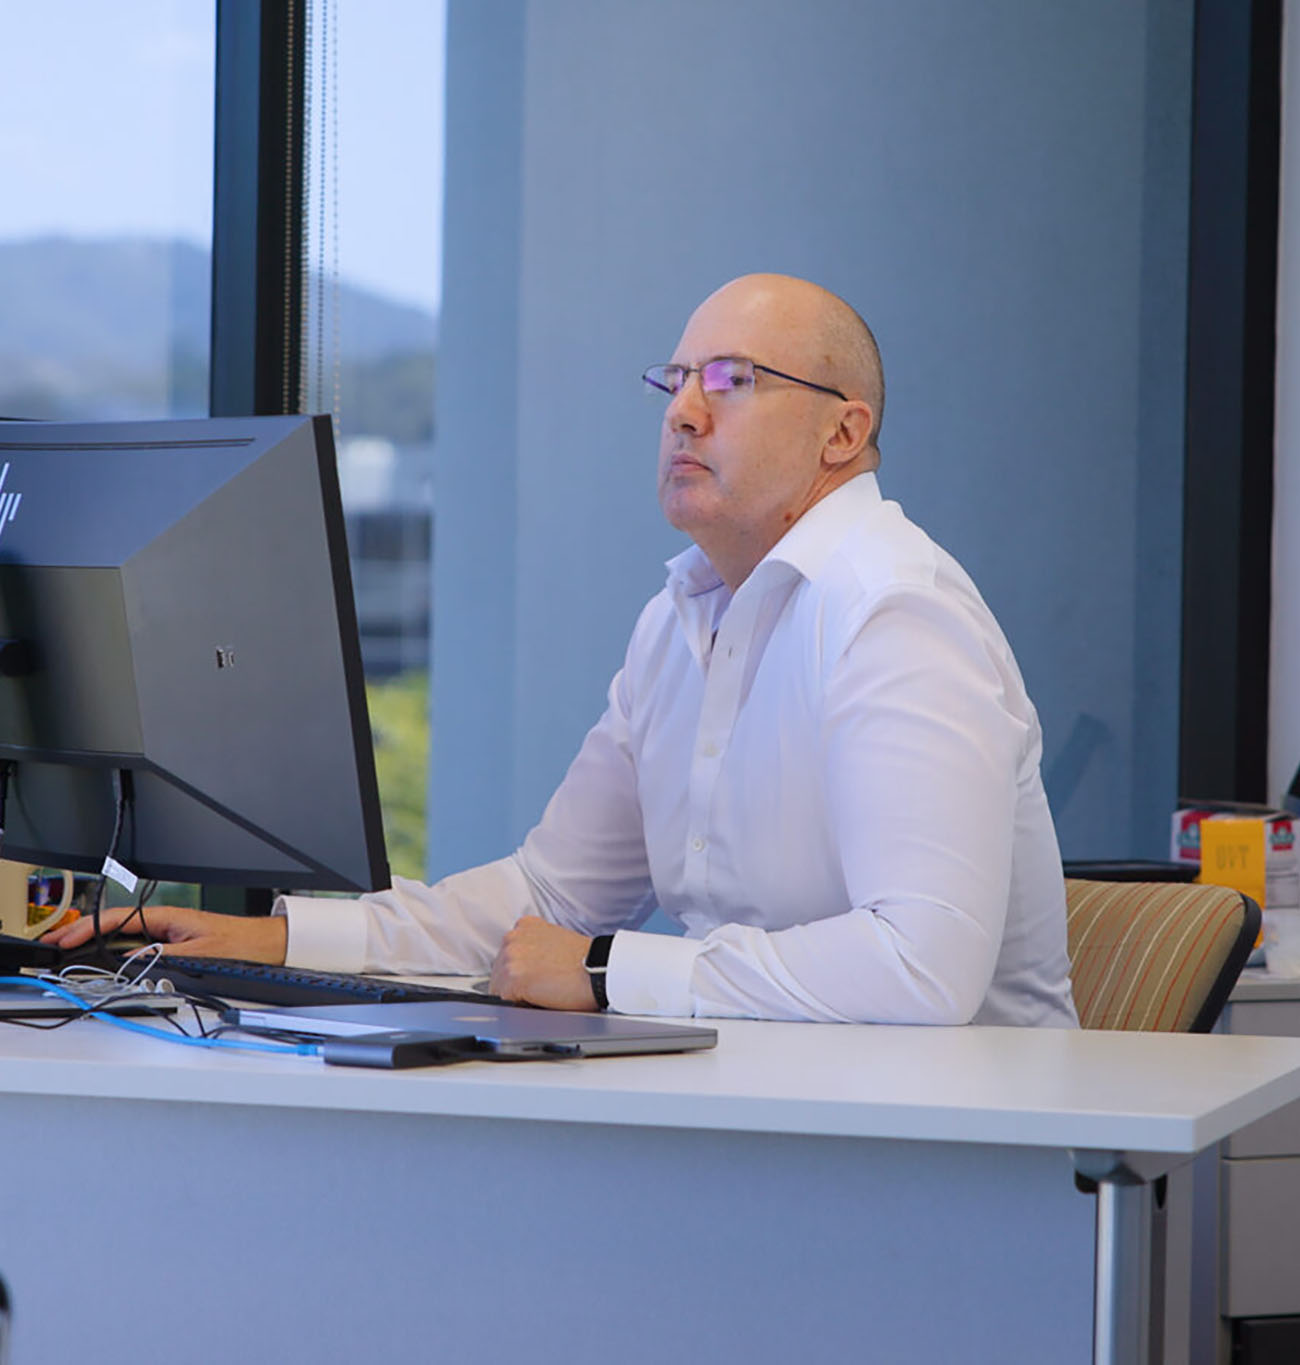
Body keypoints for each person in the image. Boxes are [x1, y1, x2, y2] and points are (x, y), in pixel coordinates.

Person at [49, 274, 1078, 1027]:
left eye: (731, 379)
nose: (682, 409)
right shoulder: (678, 621)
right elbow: (546, 901)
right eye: (674, 380)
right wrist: (281, 939)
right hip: (769, 1116)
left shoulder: (893, 611)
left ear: (841, 435)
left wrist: (599, 973)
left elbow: (918, 971)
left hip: (972, 1160)